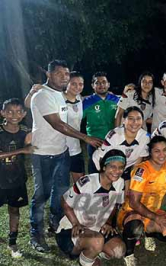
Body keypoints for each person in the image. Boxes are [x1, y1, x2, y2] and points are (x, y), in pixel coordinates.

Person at [28, 60, 102, 252]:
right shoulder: (43, 95)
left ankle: (56, 223)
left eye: (66, 74)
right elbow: (58, 124)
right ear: (49, 74)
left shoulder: (60, 95)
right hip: (43, 154)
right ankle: (36, 234)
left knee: (60, 193)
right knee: (41, 195)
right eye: (59, 73)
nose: (64, 77)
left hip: (61, 152)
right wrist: (86, 137)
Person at [117, 136, 166, 263]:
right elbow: (134, 203)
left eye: (165, 150)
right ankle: (129, 253)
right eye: (157, 151)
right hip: (132, 212)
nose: (162, 154)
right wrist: (157, 218)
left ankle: (148, 233)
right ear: (150, 153)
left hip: (154, 211)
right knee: (135, 227)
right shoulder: (142, 170)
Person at [56, 149, 126, 266]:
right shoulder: (87, 182)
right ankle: (86, 258)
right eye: (112, 167)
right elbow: (65, 202)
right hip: (70, 231)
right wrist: (75, 223)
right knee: (97, 241)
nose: (117, 171)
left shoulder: (120, 182)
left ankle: (94, 250)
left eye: (121, 167)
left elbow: (115, 205)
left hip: (97, 228)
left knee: (119, 250)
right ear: (104, 167)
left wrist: (108, 222)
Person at [0, 98, 35, 258]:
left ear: (24, 113)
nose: (14, 115)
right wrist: (22, 150)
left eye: (19, 111)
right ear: (2, 113)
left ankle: (12, 242)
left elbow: (33, 145)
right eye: (10, 111)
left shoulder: (25, 133)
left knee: (14, 210)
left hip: (17, 180)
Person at [93, 106, 150, 193]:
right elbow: (102, 159)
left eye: (138, 119)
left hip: (124, 167)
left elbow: (138, 161)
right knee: (104, 193)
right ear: (124, 120)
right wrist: (107, 178)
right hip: (102, 166)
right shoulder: (114, 135)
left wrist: (132, 180)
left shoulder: (145, 137)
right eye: (131, 119)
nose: (135, 122)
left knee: (126, 194)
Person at [83, 71, 120, 173]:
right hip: (95, 142)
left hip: (114, 141)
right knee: (95, 171)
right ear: (92, 85)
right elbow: (75, 119)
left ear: (108, 84)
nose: (101, 85)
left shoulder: (117, 100)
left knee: (112, 170)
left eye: (104, 82)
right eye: (97, 83)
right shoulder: (87, 102)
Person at [63, 71, 85, 181]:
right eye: (73, 84)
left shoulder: (79, 98)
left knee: (81, 183)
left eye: (80, 84)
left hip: (75, 148)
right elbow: (28, 103)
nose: (77, 87)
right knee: (61, 187)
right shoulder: (58, 99)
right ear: (66, 83)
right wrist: (34, 90)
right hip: (60, 149)